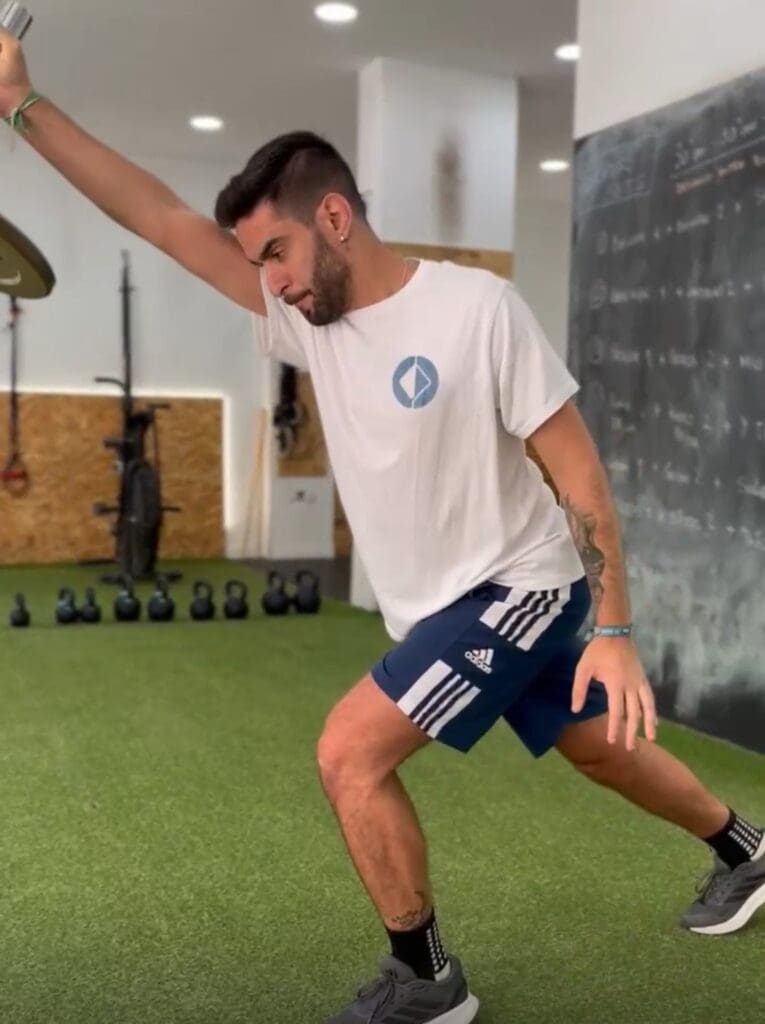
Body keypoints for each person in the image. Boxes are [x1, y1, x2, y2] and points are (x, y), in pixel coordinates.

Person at [2, 31, 763, 1024]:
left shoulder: (477, 310)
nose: (269, 280)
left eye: (276, 252)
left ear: (334, 217)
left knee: (349, 753)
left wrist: (614, 629)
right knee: (595, 747)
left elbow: (577, 470)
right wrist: (20, 104)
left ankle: (427, 979)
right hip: (446, 603)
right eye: (256, 262)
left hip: (520, 582)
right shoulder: (302, 324)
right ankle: (746, 850)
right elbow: (156, 214)